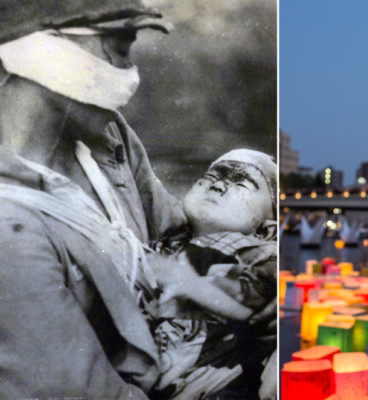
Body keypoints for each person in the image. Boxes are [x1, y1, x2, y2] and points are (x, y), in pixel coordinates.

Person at [0, 1, 187, 397]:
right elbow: (82, 388)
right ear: (40, 50)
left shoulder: (109, 137)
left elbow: (176, 237)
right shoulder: (8, 228)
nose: (130, 76)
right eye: (118, 49)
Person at [149, 149, 277, 400]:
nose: (218, 185)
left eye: (241, 183)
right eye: (210, 177)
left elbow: (258, 299)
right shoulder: (162, 246)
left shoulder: (263, 254)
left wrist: (188, 283)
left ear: (264, 231)